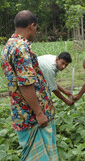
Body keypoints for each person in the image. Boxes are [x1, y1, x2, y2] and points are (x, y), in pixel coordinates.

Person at [0, 10, 58, 160]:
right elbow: (25, 83)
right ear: (32, 26)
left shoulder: (8, 45)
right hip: (32, 117)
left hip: (21, 112)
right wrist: (39, 113)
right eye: (36, 28)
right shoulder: (21, 47)